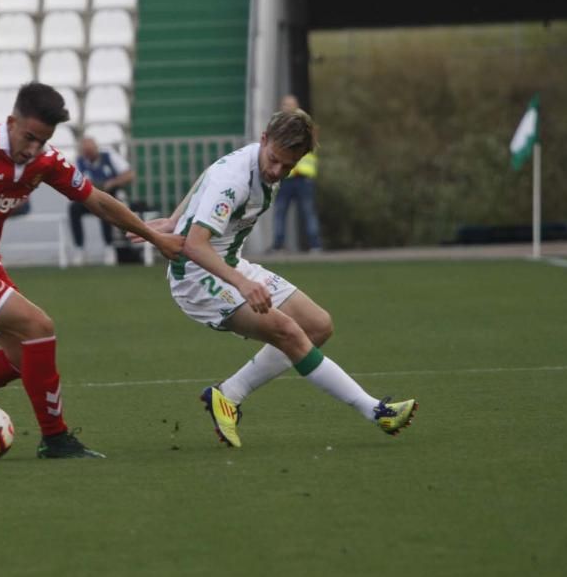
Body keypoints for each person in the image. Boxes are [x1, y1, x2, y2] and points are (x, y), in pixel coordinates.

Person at [0, 82, 184, 459]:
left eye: (42, 140)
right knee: (40, 327)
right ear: (11, 121)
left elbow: (98, 201)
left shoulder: (46, 161)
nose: (32, 149)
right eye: (28, 137)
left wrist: (154, 237)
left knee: (25, 357)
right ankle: (55, 438)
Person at [141, 109, 417, 448]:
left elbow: (205, 178)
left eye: (288, 166)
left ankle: (228, 394)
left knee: (317, 325)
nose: (277, 171)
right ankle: (375, 411)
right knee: (288, 332)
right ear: (263, 140)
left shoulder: (259, 165)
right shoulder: (235, 179)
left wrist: (173, 219)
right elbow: (196, 245)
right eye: (273, 160)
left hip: (229, 263)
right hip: (197, 275)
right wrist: (241, 283)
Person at [68, 136, 134, 265]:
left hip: (111, 196)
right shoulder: (79, 161)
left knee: (105, 208)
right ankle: (79, 248)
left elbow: (129, 174)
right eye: (85, 152)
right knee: (73, 209)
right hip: (88, 198)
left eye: (90, 151)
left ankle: (109, 247)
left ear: (96, 148)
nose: (88, 155)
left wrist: (113, 182)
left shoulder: (109, 156)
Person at [271, 95, 322, 252]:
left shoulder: (306, 125)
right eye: (285, 104)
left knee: (308, 211)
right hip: (286, 176)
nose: (288, 107)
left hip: (304, 177)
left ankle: (315, 245)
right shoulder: (278, 126)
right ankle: (278, 245)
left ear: (297, 106)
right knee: (280, 211)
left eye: (291, 104)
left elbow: (313, 143)